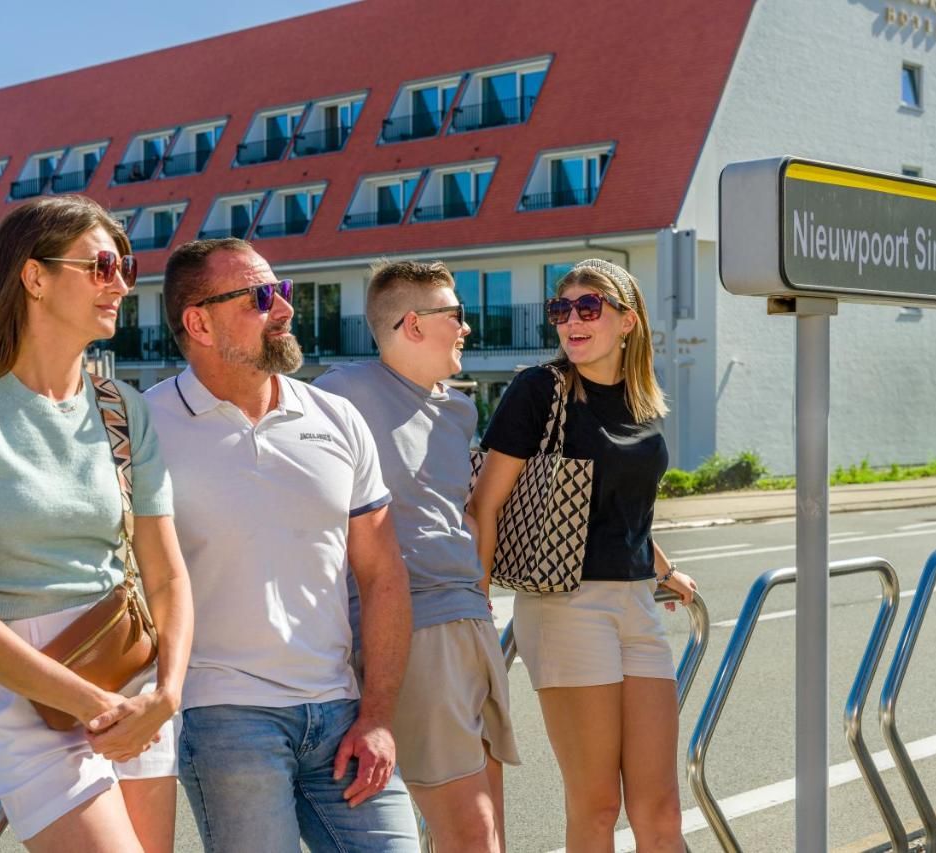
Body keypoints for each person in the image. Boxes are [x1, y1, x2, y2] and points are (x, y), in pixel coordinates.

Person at [0, 195, 193, 852]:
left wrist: (167, 694)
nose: (121, 284)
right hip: (26, 691)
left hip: (132, 676)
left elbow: (167, 572)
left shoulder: (121, 408)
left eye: (126, 267)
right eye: (102, 266)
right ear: (33, 276)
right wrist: (94, 706)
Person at [144, 238, 418, 852]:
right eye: (262, 297)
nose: (286, 308)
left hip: (342, 714)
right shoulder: (146, 427)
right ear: (199, 322)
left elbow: (383, 576)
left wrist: (376, 716)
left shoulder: (337, 418)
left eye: (283, 291)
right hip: (223, 716)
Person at [469, 258, 697, 852]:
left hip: (637, 606)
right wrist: (476, 610)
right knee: (597, 808)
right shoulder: (539, 390)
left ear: (627, 320)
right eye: (561, 309)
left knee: (662, 812)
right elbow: (485, 506)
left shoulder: (643, 401)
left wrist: (665, 570)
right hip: (564, 606)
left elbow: (626, 509)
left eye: (588, 307)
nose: (571, 320)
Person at [314, 260, 521, 852]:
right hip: (417, 624)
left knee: (489, 830)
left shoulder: (458, 409)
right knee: (471, 833)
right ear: (411, 324)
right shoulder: (339, 396)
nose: (467, 328)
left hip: (471, 621)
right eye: (455, 315)